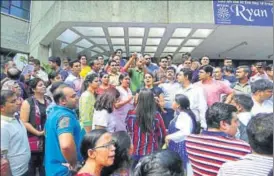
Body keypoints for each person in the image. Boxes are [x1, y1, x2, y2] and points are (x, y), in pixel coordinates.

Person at [185, 103, 251, 176]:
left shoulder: (190, 141)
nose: (238, 125)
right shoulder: (242, 148)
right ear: (223, 124)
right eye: (235, 121)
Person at [45, 84, 82, 175]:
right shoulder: (65, 116)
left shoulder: (53, 113)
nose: (77, 98)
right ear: (63, 101)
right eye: (73, 96)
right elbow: (66, 145)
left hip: (53, 168)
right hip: (64, 170)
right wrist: (74, 164)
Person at [126, 88, 166, 165]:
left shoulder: (131, 114)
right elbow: (161, 134)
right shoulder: (156, 115)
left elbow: (128, 130)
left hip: (134, 152)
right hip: (151, 152)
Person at [20, 78, 51, 176]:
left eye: (44, 84)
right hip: (34, 138)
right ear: (33, 89)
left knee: (45, 164)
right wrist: (38, 133)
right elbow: (24, 122)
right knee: (33, 166)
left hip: (48, 137)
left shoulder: (48, 100)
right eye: (40, 85)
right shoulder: (28, 102)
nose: (44, 86)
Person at [165, 94, 198, 175]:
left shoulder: (184, 115)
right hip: (177, 146)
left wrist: (169, 136)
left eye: (173, 101)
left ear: (178, 104)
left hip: (180, 147)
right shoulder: (180, 114)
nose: (172, 103)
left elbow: (185, 132)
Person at [1, 90, 31, 176]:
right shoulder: (3, 127)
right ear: (2, 107)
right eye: (13, 101)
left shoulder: (15, 117)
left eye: (17, 99)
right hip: (15, 173)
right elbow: (2, 159)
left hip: (24, 168)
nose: (18, 102)